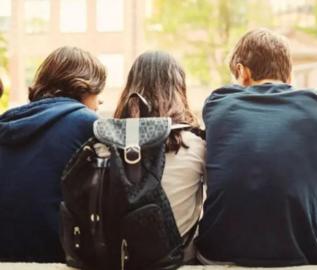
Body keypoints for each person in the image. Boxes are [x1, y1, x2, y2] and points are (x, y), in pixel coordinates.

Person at [196, 28, 317, 266]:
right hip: (300, 255)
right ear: (289, 73)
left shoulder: (217, 102)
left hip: (219, 254)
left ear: (242, 72)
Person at [0, 46, 106, 262]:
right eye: (98, 92)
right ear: (83, 87)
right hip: (57, 255)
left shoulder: (8, 121)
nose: (100, 101)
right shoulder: (87, 124)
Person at [113, 51, 205, 262]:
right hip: (178, 261)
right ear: (178, 89)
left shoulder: (108, 147)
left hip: (121, 259)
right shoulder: (195, 146)